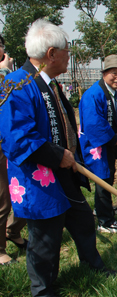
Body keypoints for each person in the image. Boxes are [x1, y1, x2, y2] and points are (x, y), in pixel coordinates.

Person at [0, 19, 112, 297]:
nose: (68, 57)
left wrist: (69, 154)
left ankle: (92, 264)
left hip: (64, 170)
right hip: (38, 176)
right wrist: (56, 155)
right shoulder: (16, 85)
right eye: (66, 51)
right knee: (45, 235)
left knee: (83, 219)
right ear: (51, 53)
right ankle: (43, 289)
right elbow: (17, 138)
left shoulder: (49, 83)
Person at [79, 54, 117, 233]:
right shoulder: (94, 95)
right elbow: (94, 123)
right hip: (97, 145)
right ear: (104, 73)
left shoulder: (114, 91)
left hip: (108, 143)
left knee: (108, 176)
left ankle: (103, 208)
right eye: (114, 73)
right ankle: (105, 221)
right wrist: (113, 138)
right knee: (102, 178)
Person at [0, 34, 27, 266]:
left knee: (22, 192)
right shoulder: (5, 75)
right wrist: (5, 72)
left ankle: (13, 231)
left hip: (12, 142)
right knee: (3, 199)